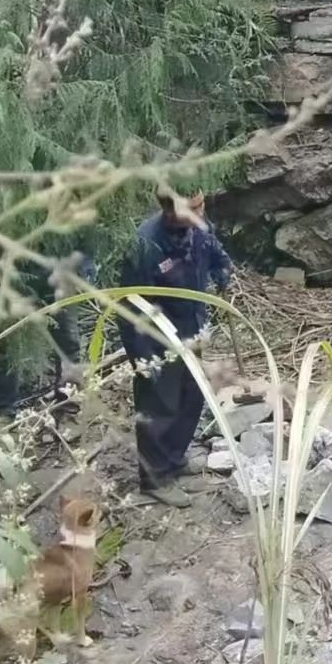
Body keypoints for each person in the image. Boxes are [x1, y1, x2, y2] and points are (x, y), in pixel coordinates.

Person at [116, 195, 231, 508]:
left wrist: (222, 270)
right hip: (158, 339)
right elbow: (129, 306)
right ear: (168, 210)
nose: (198, 214)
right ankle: (155, 480)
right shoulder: (145, 245)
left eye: (200, 206)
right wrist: (142, 357)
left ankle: (174, 460)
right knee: (159, 407)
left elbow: (215, 251)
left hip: (192, 328)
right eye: (189, 210)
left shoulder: (199, 227)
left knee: (190, 397)